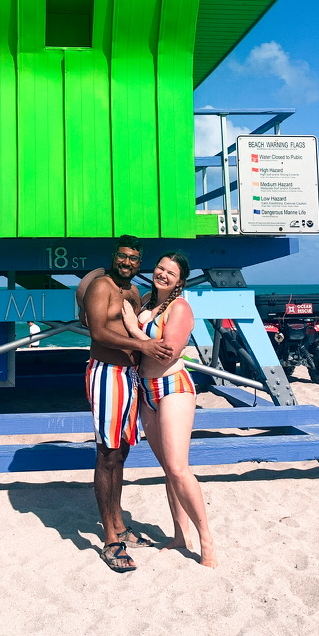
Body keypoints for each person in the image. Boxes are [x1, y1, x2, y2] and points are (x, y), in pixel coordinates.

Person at [81, 236, 174, 573]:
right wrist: (147, 348)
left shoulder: (133, 293)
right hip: (106, 374)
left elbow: (137, 329)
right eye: (123, 257)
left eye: (134, 259)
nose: (127, 263)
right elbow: (98, 331)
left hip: (130, 376)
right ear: (114, 257)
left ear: (139, 263)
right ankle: (109, 538)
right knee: (107, 453)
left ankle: (120, 524)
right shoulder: (101, 287)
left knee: (121, 452)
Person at [121, 251, 217, 568]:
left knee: (178, 468)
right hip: (145, 389)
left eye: (170, 272)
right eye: (160, 268)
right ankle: (179, 535)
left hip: (172, 386)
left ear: (180, 280)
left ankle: (206, 540)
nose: (162, 274)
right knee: (167, 469)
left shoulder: (180, 308)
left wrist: (134, 330)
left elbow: (166, 353)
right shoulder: (148, 300)